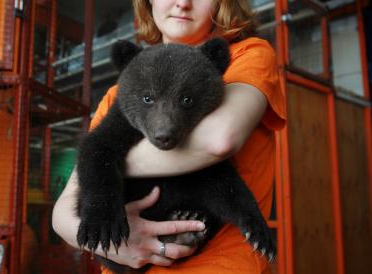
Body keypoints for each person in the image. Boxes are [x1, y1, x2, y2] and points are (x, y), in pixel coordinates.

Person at [52, 0, 286, 273]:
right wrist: (113, 239)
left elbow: (218, 143)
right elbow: (65, 210)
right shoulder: (121, 92)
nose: (182, 3)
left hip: (218, 265)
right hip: (127, 255)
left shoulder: (247, 55)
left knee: (209, 173)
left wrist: (113, 161)